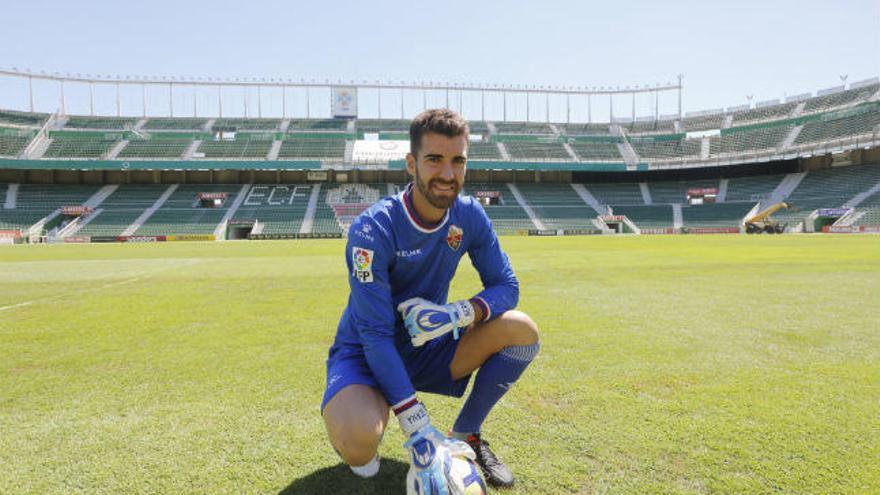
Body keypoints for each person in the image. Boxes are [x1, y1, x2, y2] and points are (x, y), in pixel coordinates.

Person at [320, 108, 540, 489]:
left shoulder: (469, 216)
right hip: (367, 350)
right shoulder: (373, 229)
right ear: (412, 163)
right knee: (359, 445)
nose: (448, 174)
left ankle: (466, 434)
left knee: (522, 330)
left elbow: (507, 285)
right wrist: (415, 419)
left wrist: (459, 314)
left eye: (458, 161)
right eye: (435, 160)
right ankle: (374, 406)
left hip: (427, 345)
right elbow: (374, 334)